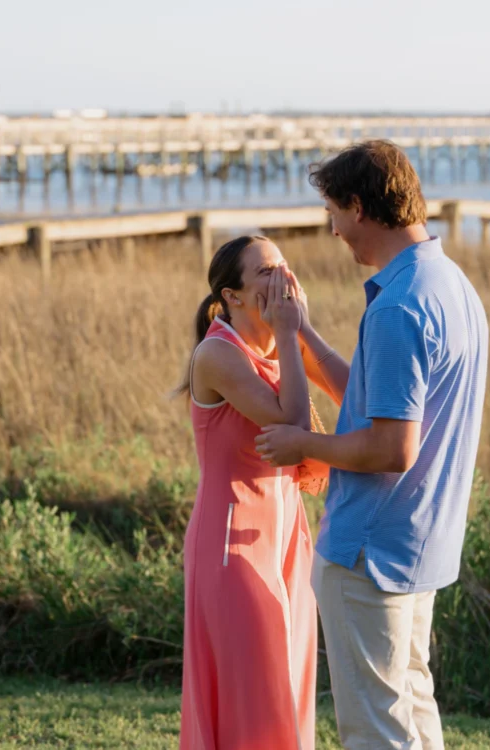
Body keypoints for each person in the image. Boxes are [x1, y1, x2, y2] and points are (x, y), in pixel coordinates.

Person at [256, 140, 489, 749]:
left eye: (333, 212)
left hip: (370, 552)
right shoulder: (448, 284)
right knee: (412, 704)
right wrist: (301, 333)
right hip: (421, 543)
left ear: (358, 207)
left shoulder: (398, 308)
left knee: (376, 731)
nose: (333, 231)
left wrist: (301, 442)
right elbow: (371, 398)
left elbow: (391, 448)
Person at [177, 234, 343, 750]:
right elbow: (293, 424)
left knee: (289, 685)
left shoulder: (281, 343)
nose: (283, 277)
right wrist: (289, 333)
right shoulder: (217, 355)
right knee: (256, 695)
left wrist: (303, 333)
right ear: (233, 296)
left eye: (284, 265)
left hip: (286, 536)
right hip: (231, 544)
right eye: (266, 271)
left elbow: (351, 393)